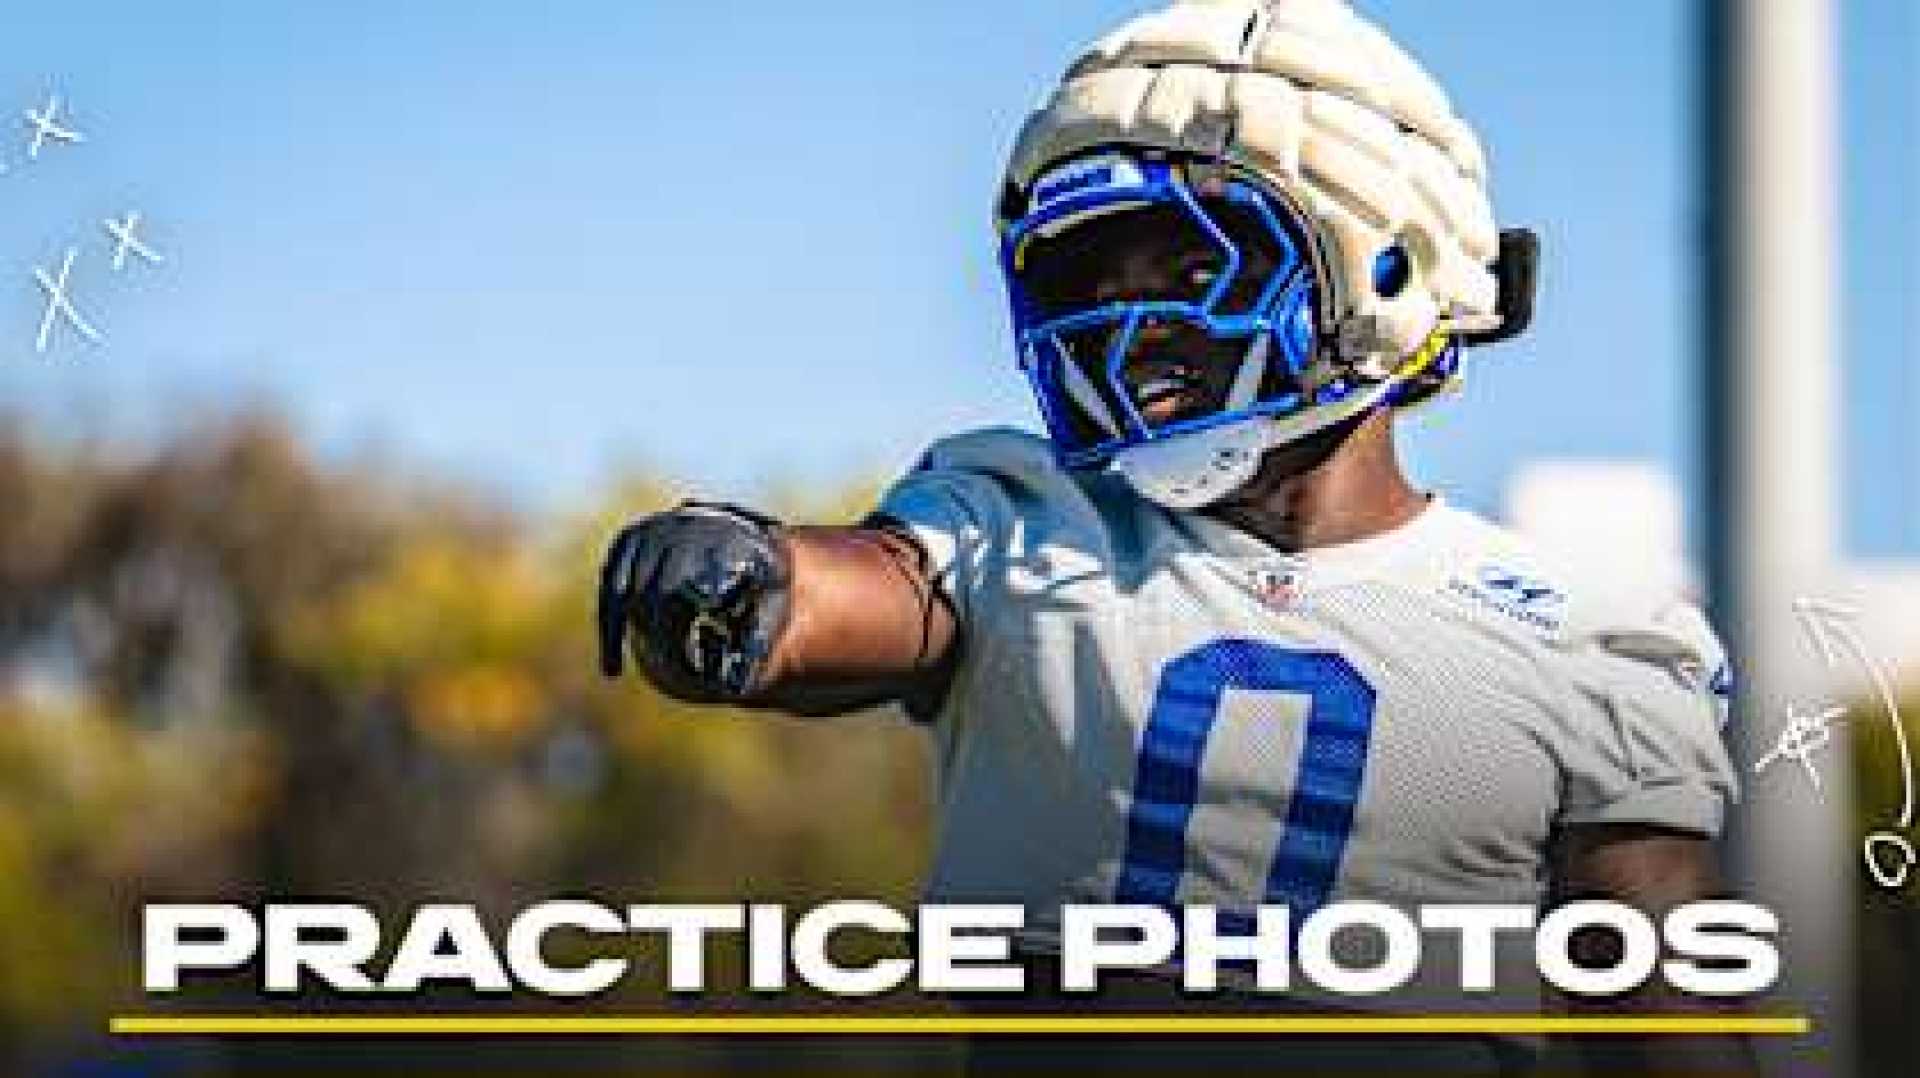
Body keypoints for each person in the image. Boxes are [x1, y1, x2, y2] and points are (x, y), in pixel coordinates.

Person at [598, 1, 1746, 1072]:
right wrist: (749, 581)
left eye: (1198, 265)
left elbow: (1666, 1024)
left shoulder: (1586, 639)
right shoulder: (1028, 517)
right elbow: (865, 592)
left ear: (1390, 265)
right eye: (1098, 275)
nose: (1133, 320)